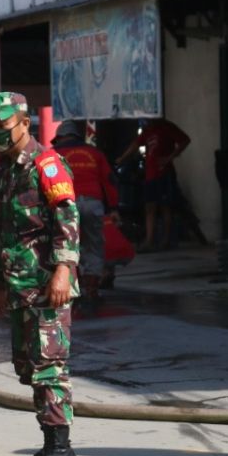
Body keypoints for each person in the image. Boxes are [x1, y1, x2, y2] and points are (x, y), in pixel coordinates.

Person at [0, 92, 81, 456]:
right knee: (29, 368)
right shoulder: (6, 171)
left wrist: (64, 270)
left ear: (25, 123)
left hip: (46, 286)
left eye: (2, 126)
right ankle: (50, 444)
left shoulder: (48, 165)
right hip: (19, 287)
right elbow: (2, 234)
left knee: (49, 369)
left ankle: (62, 451)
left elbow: (68, 219)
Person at [52, 121, 118, 313]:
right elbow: (109, 181)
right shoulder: (94, 153)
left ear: (61, 137)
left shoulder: (53, 154)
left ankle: (74, 289)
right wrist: (113, 207)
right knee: (94, 244)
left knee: (68, 246)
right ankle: (91, 289)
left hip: (66, 205)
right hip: (92, 203)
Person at [118, 117, 191, 251]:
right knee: (149, 207)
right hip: (150, 174)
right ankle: (149, 240)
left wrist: (169, 157)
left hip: (164, 173)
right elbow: (135, 144)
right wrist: (122, 158)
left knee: (165, 206)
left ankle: (166, 240)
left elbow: (185, 140)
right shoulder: (148, 130)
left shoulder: (167, 127)